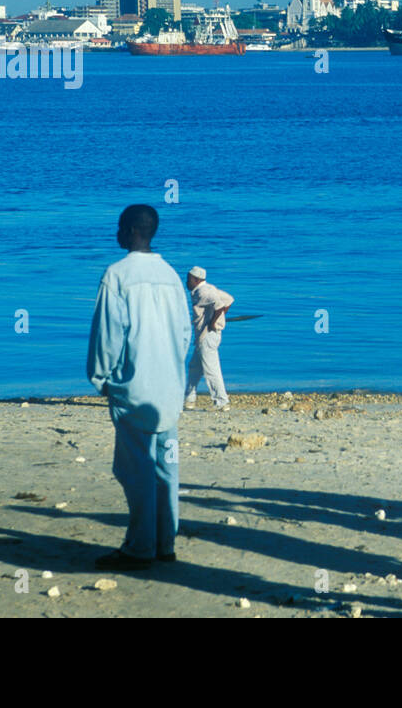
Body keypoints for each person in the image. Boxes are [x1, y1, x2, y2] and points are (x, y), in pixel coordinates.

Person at [87, 204, 192, 571]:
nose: (115, 232)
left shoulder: (117, 275)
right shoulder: (171, 275)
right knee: (166, 468)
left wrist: (101, 378)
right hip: (169, 387)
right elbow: (184, 334)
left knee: (137, 471)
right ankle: (166, 542)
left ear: (132, 230)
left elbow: (108, 335)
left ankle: (140, 548)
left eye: (119, 227)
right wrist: (177, 376)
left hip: (133, 387)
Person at [184, 266, 234, 411]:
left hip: (207, 336)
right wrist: (219, 317)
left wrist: (213, 321)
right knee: (194, 367)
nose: (186, 282)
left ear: (196, 279)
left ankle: (222, 401)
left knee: (211, 369)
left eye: (188, 279)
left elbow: (219, 305)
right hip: (203, 337)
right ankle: (189, 399)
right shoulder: (210, 288)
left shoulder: (202, 292)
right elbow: (228, 300)